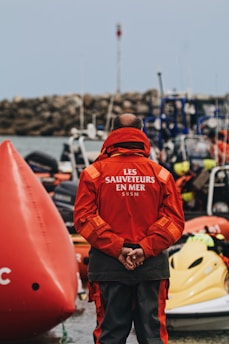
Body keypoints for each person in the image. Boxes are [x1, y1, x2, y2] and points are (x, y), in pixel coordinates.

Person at [74, 113, 185, 344]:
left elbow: (84, 219)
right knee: (153, 336)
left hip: (108, 267)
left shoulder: (93, 174)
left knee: (109, 336)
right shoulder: (161, 175)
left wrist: (118, 248)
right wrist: (144, 249)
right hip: (152, 267)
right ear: (142, 134)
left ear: (111, 134)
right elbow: (174, 222)